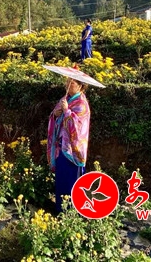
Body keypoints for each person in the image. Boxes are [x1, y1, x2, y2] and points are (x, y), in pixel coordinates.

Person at [47, 76, 91, 213]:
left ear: (80, 86)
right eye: (67, 82)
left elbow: (78, 127)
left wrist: (66, 111)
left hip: (72, 150)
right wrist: (55, 114)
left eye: (72, 83)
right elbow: (55, 118)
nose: (68, 85)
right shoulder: (65, 99)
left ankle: (72, 211)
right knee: (61, 179)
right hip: (61, 147)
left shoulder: (82, 104)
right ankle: (60, 209)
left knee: (71, 180)